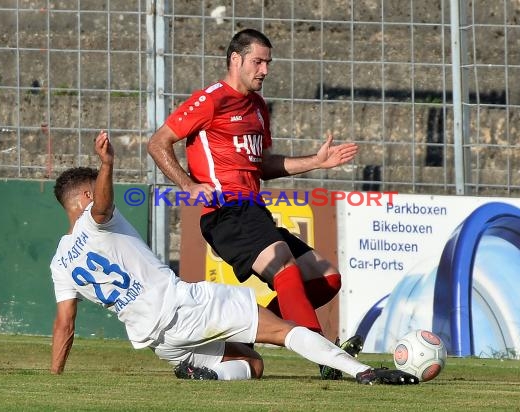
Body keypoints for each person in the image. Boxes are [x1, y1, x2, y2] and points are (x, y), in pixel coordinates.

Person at [49, 130, 417, 385]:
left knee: (252, 364)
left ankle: (207, 376)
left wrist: (56, 377)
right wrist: (108, 166)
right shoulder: (97, 220)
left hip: (160, 343)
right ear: (85, 196)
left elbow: (65, 325)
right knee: (287, 332)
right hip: (186, 307)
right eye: (95, 189)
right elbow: (101, 208)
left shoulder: (60, 263)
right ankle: (363, 373)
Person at [147, 28, 361, 379]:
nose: (265, 70)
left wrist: (316, 162)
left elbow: (262, 166)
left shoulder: (258, 107)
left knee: (327, 278)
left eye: (268, 63)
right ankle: (327, 356)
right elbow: (158, 142)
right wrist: (188, 185)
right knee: (286, 270)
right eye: (258, 62)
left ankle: (249, 329)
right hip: (225, 211)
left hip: (253, 209)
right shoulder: (211, 99)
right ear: (236, 60)